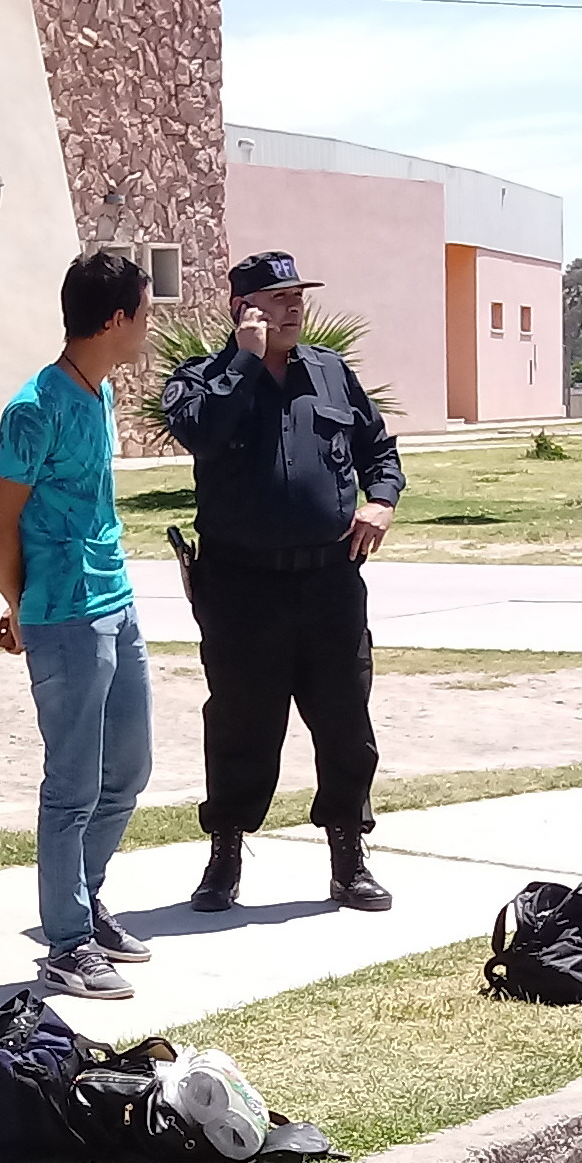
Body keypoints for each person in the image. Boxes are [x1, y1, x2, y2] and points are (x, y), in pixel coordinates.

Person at [158, 250, 404, 914]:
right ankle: (225, 857)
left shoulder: (330, 372)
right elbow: (201, 433)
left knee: (345, 722)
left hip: (329, 583)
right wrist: (242, 361)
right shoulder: (201, 379)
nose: (294, 307)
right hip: (241, 588)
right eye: (278, 298)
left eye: (298, 296)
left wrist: (381, 501)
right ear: (243, 309)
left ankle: (348, 858)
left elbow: (378, 450)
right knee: (240, 724)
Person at [0, 249, 155, 1000]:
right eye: (144, 313)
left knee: (129, 768)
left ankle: (85, 903)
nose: (149, 326)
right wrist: (22, 606)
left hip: (116, 602)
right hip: (64, 617)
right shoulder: (34, 408)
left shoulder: (100, 391)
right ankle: (67, 942)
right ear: (114, 319)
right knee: (73, 785)